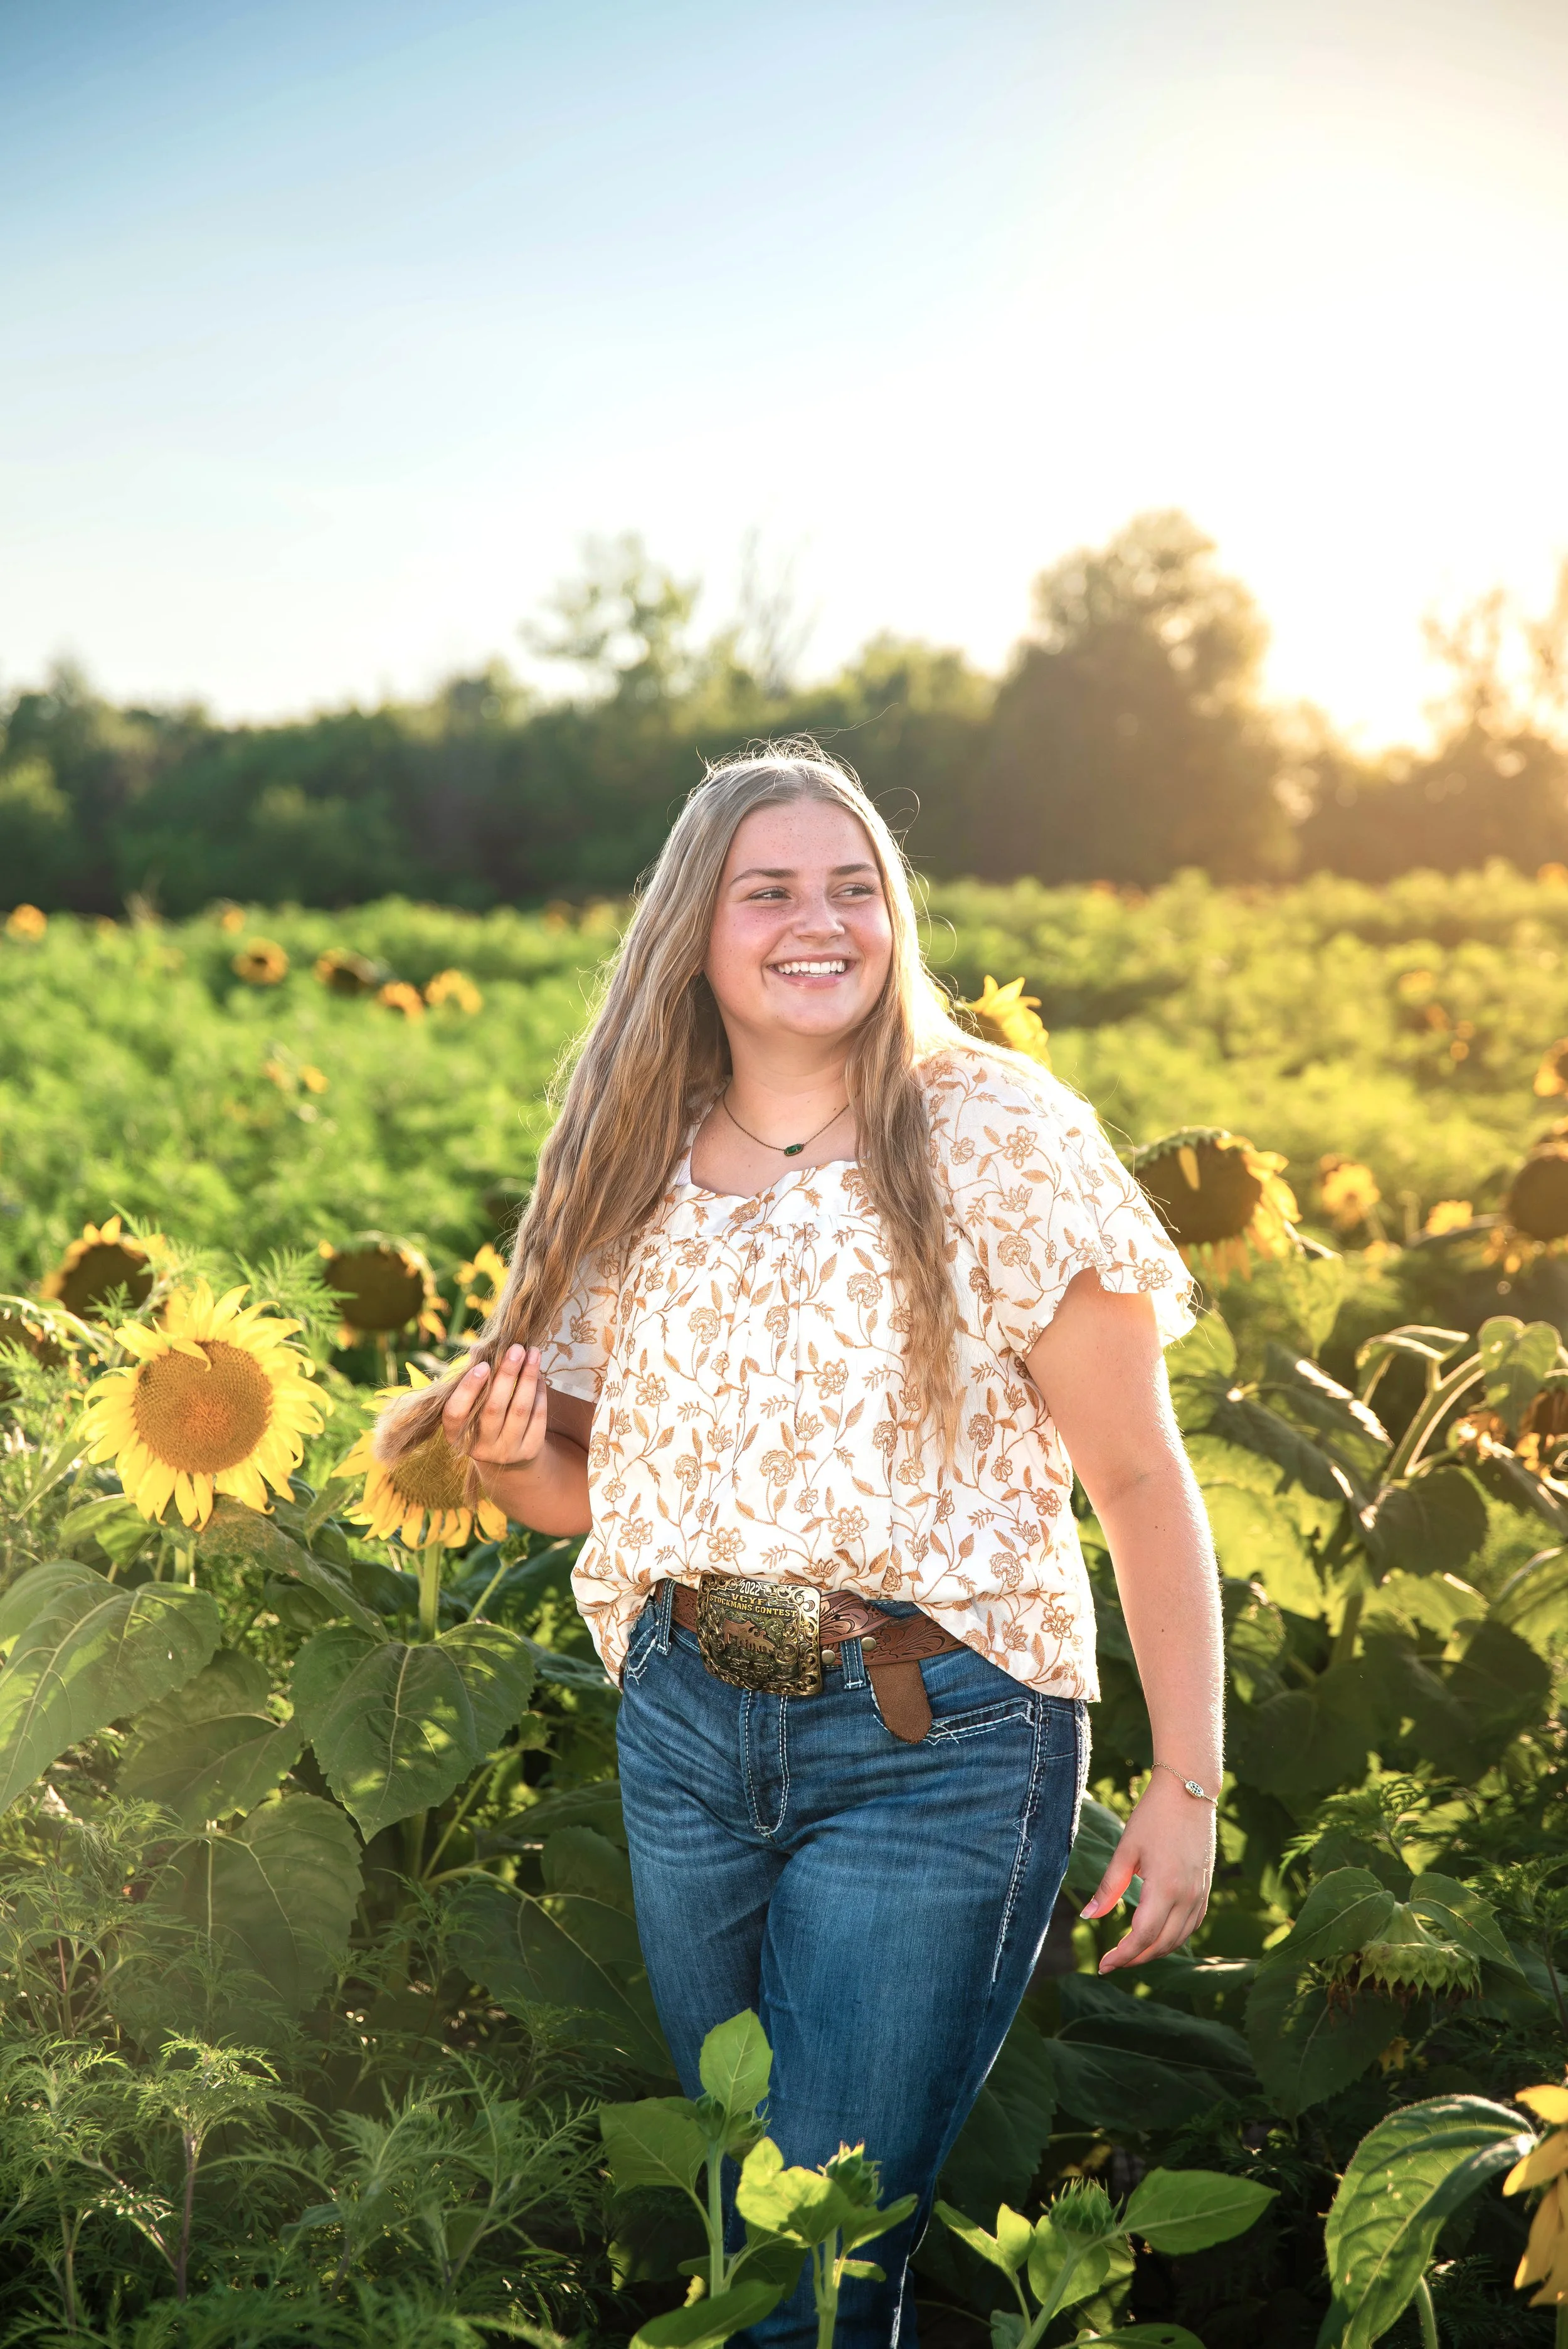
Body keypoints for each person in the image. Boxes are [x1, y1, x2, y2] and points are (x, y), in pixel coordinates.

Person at [377, 742, 1223, 2347]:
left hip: (936, 1740)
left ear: (894, 920)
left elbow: (1136, 1476)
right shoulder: (630, 1151)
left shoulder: (992, 1132)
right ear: (696, 929)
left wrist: (1184, 1781)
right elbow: (595, 1493)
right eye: (768, 891)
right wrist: (503, 1465)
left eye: (853, 889)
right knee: (740, 2225)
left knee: (816, 2273)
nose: (815, 921)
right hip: (687, 1728)